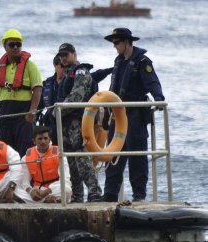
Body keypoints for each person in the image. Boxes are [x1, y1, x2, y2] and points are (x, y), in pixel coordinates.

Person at [103, 28, 165, 202]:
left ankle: (139, 194)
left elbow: (152, 81)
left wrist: (158, 98)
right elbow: (112, 88)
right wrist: (107, 112)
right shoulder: (118, 61)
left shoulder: (142, 61)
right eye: (113, 43)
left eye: (117, 43)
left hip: (135, 113)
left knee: (137, 154)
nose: (115, 46)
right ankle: (110, 193)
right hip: (117, 113)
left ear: (127, 42)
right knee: (113, 153)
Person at [56, 43, 103, 202]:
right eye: (61, 55)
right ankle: (77, 195)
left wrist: (57, 110)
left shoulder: (81, 72)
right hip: (66, 121)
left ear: (74, 54)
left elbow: (77, 97)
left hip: (78, 120)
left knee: (81, 157)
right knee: (71, 160)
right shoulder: (67, 75)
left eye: (66, 54)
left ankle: (94, 191)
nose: (63, 58)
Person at [0, 28, 43, 157]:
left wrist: (32, 111)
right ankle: (8, 176)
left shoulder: (30, 65)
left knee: (26, 149)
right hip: (5, 114)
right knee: (4, 150)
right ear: (5, 47)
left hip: (24, 115)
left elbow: (38, 89)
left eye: (18, 44)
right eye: (12, 44)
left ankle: (25, 176)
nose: (15, 47)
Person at [19, 126, 72, 203]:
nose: (43, 141)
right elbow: (24, 182)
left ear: (50, 139)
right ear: (34, 141)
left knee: (67, 189)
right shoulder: (26, 157)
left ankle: (46, 200)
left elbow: (65, 179)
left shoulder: (59, 154)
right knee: (15, 190)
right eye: (40, 139)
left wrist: (46, 192)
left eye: (45, 138)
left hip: (54, 189)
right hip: (37, 191)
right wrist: (31, 192)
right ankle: (47, 201)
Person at [38, 54, 64, 145]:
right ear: (55, 65)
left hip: (66, 122)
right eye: (62, 66)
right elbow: (39, 105)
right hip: (50, 123)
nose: (64, 69)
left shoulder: (71, 82)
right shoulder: (47, 83)